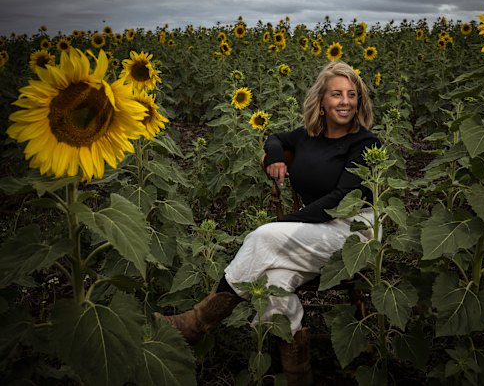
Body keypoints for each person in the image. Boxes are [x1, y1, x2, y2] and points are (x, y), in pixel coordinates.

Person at [155, 61, 380, 385]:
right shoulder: (307, 137)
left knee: (264, 238)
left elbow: (340, 200)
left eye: (352, 94)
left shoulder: (365, 143)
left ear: (359, 101)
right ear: (322, 101)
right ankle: (298, 374)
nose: (345, 101)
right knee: (274, 281)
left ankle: (197, 322)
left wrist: (286, 223)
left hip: (353, 231)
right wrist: (275, 156)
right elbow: (275, 139)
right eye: (336, 94)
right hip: (314, 230)